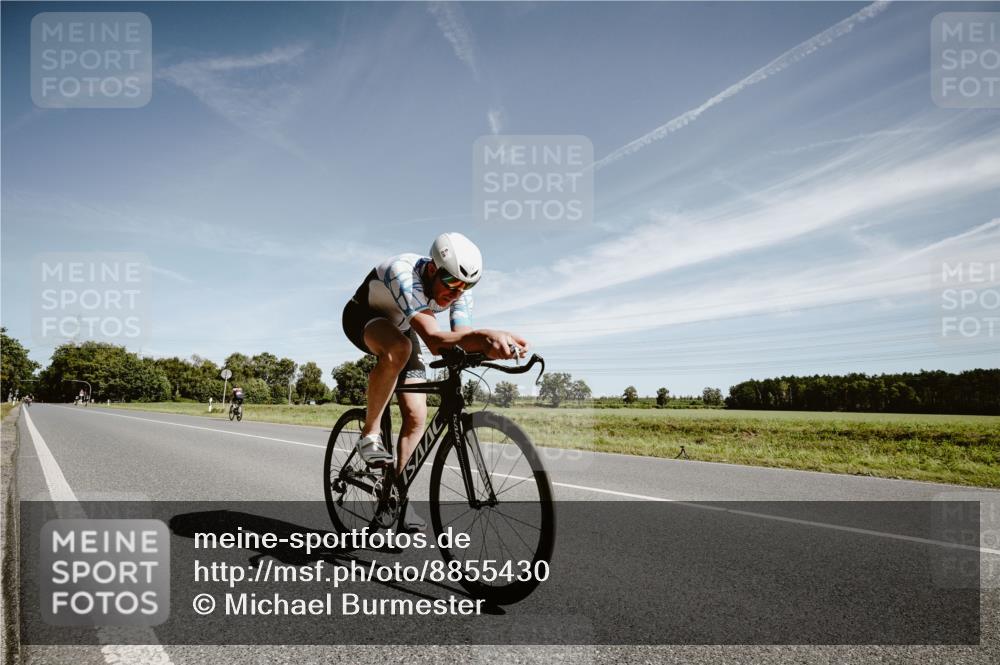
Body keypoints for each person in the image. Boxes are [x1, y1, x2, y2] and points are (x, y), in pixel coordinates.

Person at [342, 232, 528, 530]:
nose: (456, 293)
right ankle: (370, 434)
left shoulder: (459, 288)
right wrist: (483, 337)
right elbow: (433, 338)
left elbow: (459, 338)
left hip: (403, 327)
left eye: (466, 287)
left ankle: (396, 500)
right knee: (397, 349)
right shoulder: (403, 271)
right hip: (362, 315)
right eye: (451, 284)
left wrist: (492, 348)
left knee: (416, 416)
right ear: (432, 269)